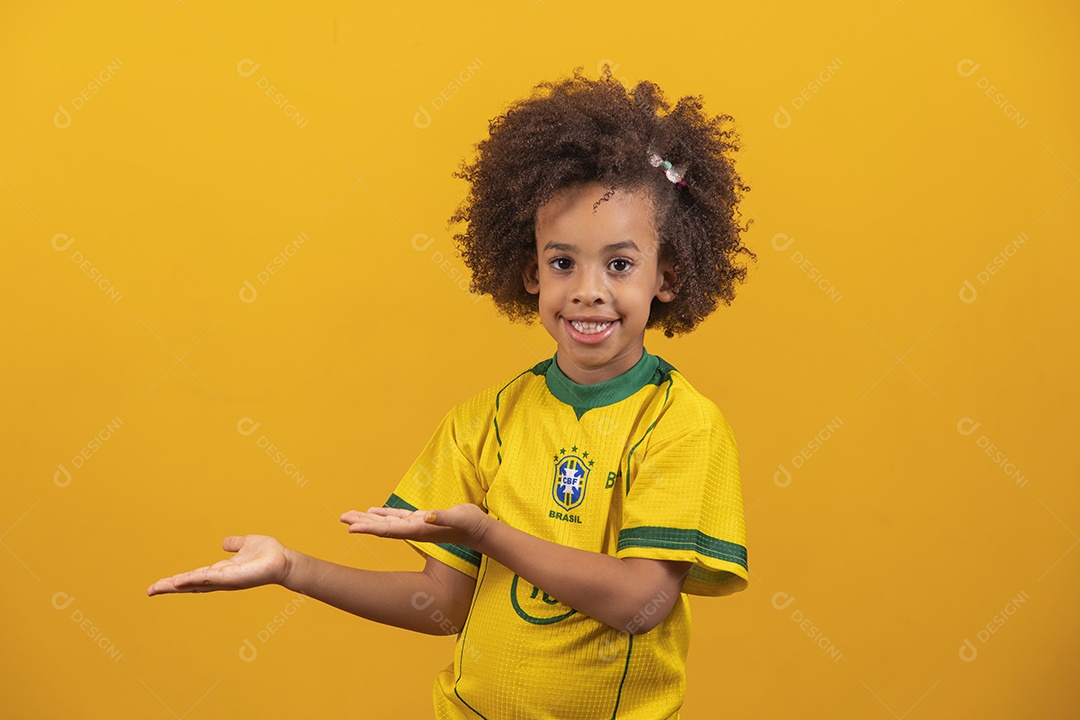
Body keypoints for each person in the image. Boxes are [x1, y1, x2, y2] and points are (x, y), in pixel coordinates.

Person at [148, 67, 755, 719]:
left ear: (667, 276)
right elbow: (442, 606)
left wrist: (489, 535)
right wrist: (290, 568)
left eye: (619, 263)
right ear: (529, 272)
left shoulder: (681, 424)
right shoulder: (484, 422)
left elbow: (640, 604)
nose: (587, 289)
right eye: (561, 262)